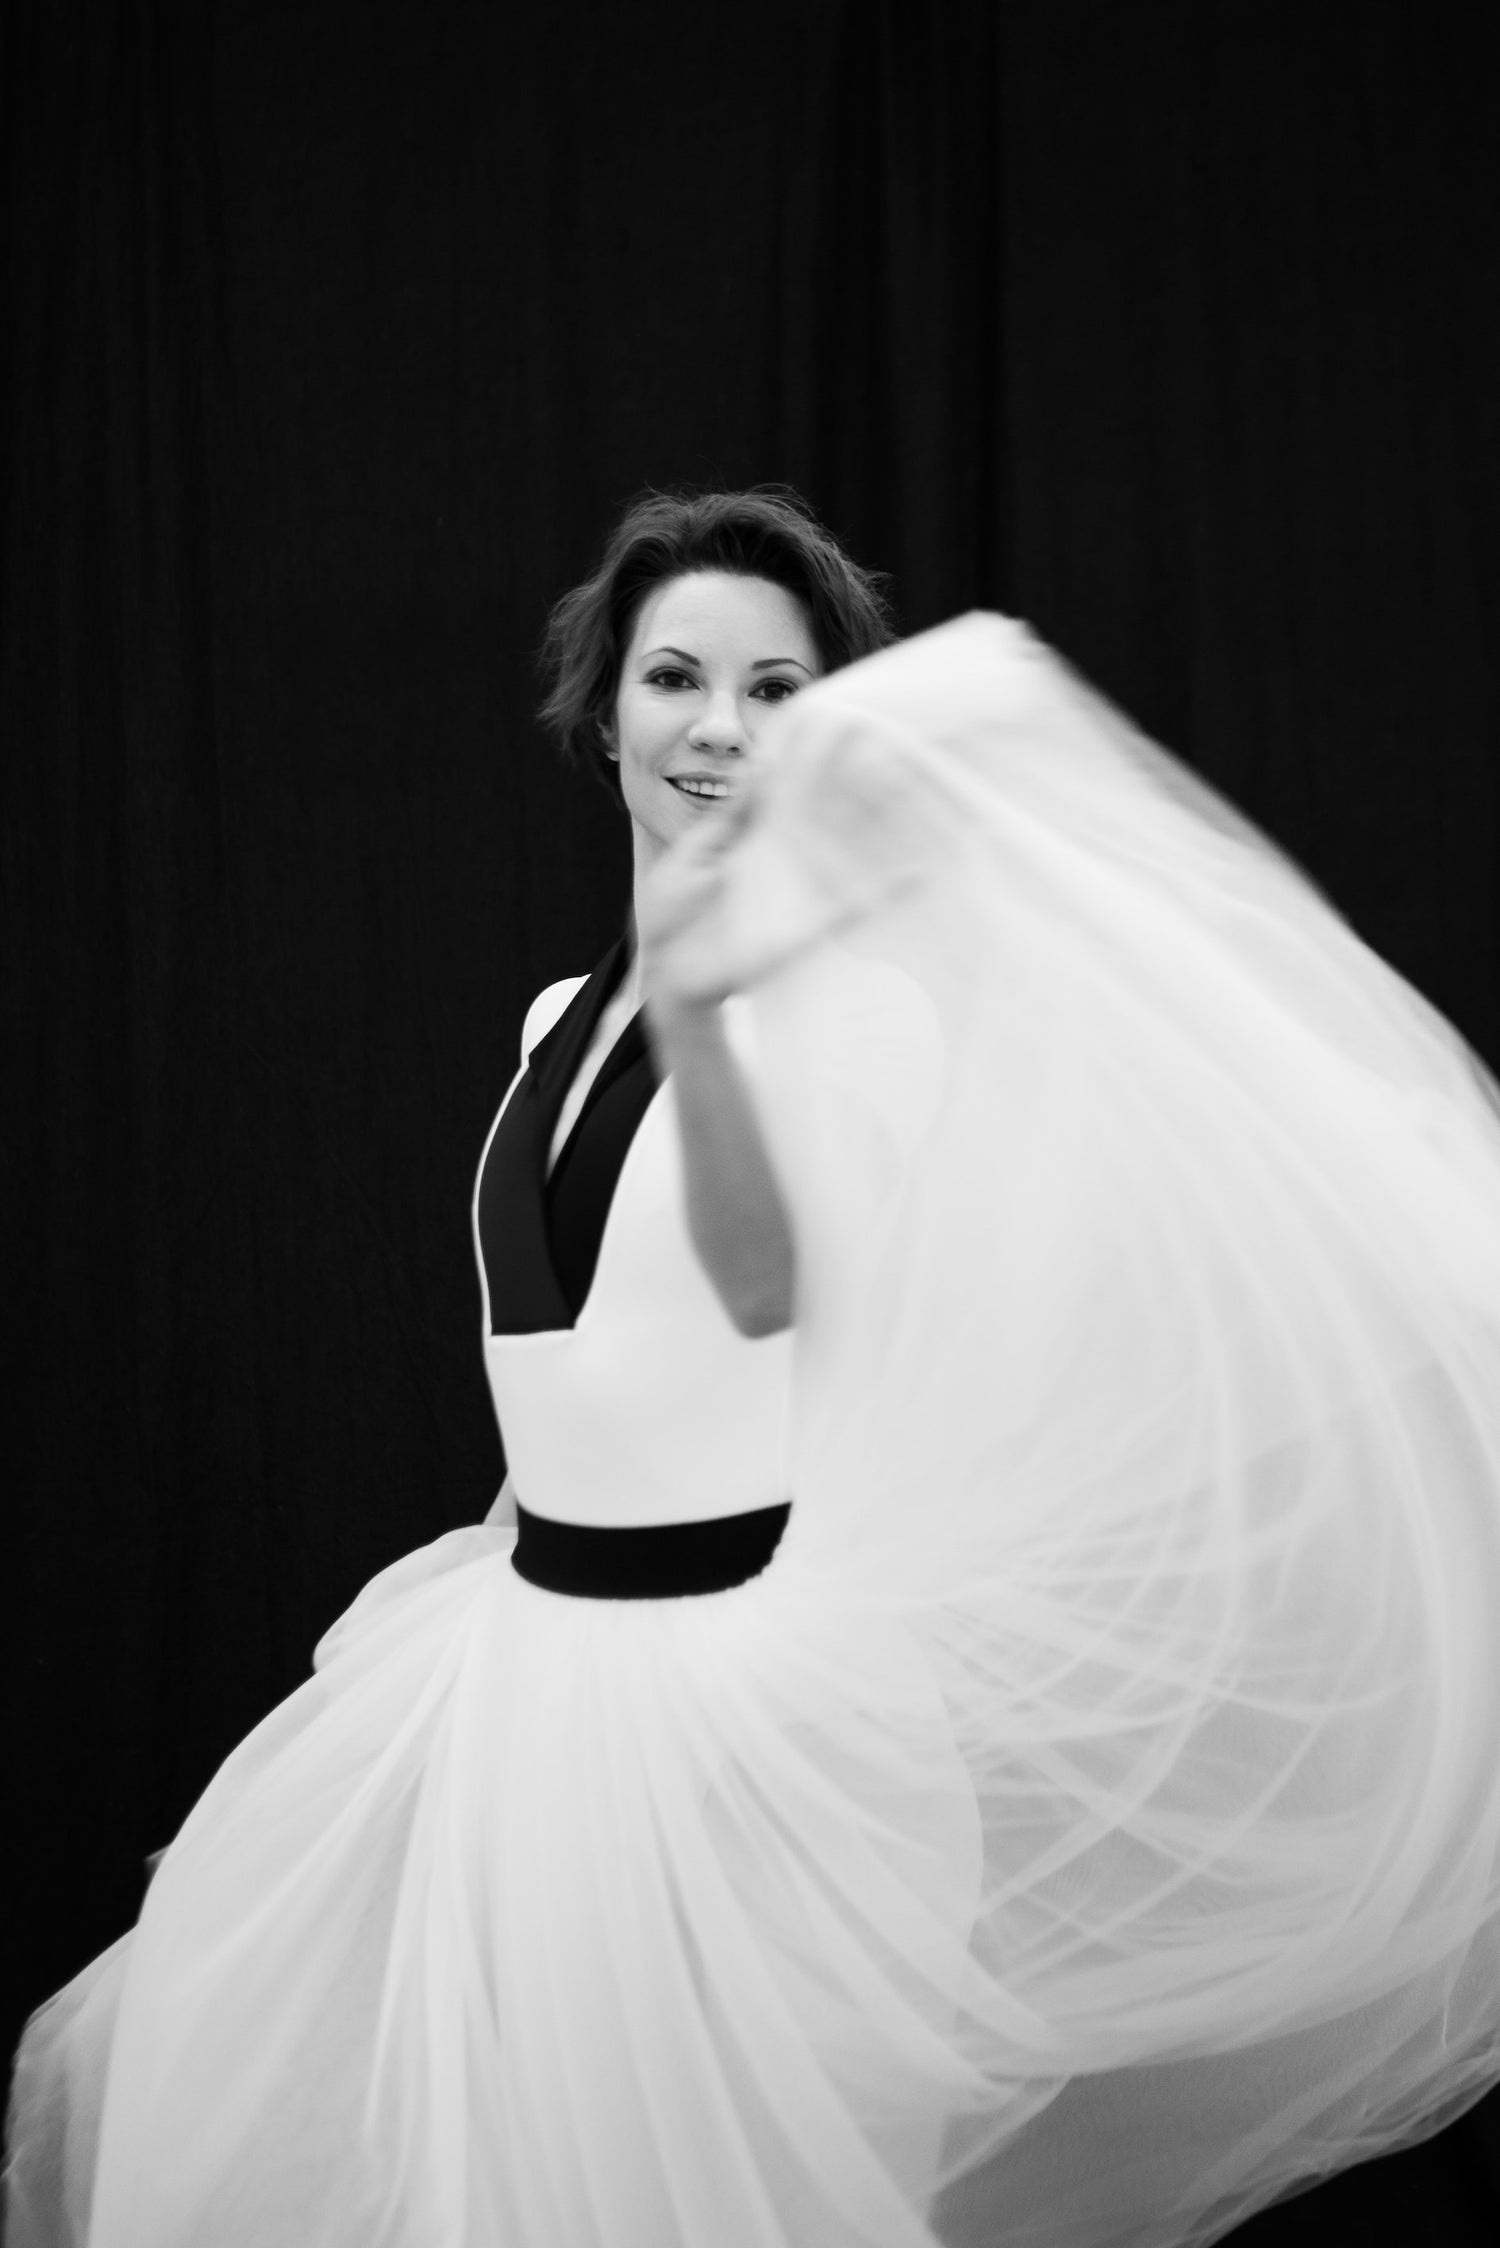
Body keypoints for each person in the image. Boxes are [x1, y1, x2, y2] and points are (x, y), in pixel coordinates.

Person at [8, 485, 1500, 2248]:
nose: (719, 726)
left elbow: (768, 1287)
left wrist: (712, 1023)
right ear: (607, 716)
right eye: (676, 678)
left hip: (740, 1723)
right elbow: (570, 1347)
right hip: (535, 1674)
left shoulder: (856, 1010)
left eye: (776, 690)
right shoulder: (555, 1024)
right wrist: (500, 1569)